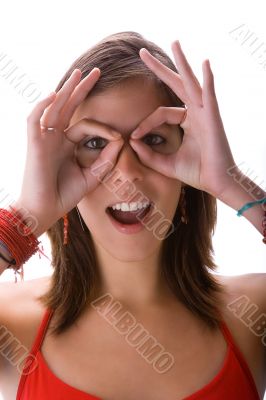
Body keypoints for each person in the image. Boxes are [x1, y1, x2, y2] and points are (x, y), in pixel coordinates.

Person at [0, 31, 265, 400]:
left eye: (154, 139)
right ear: (59, 166)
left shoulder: (251, 315)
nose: (126, 173)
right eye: (95, 144)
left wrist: (232, 184)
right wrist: (25, 217)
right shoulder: (12, 326)